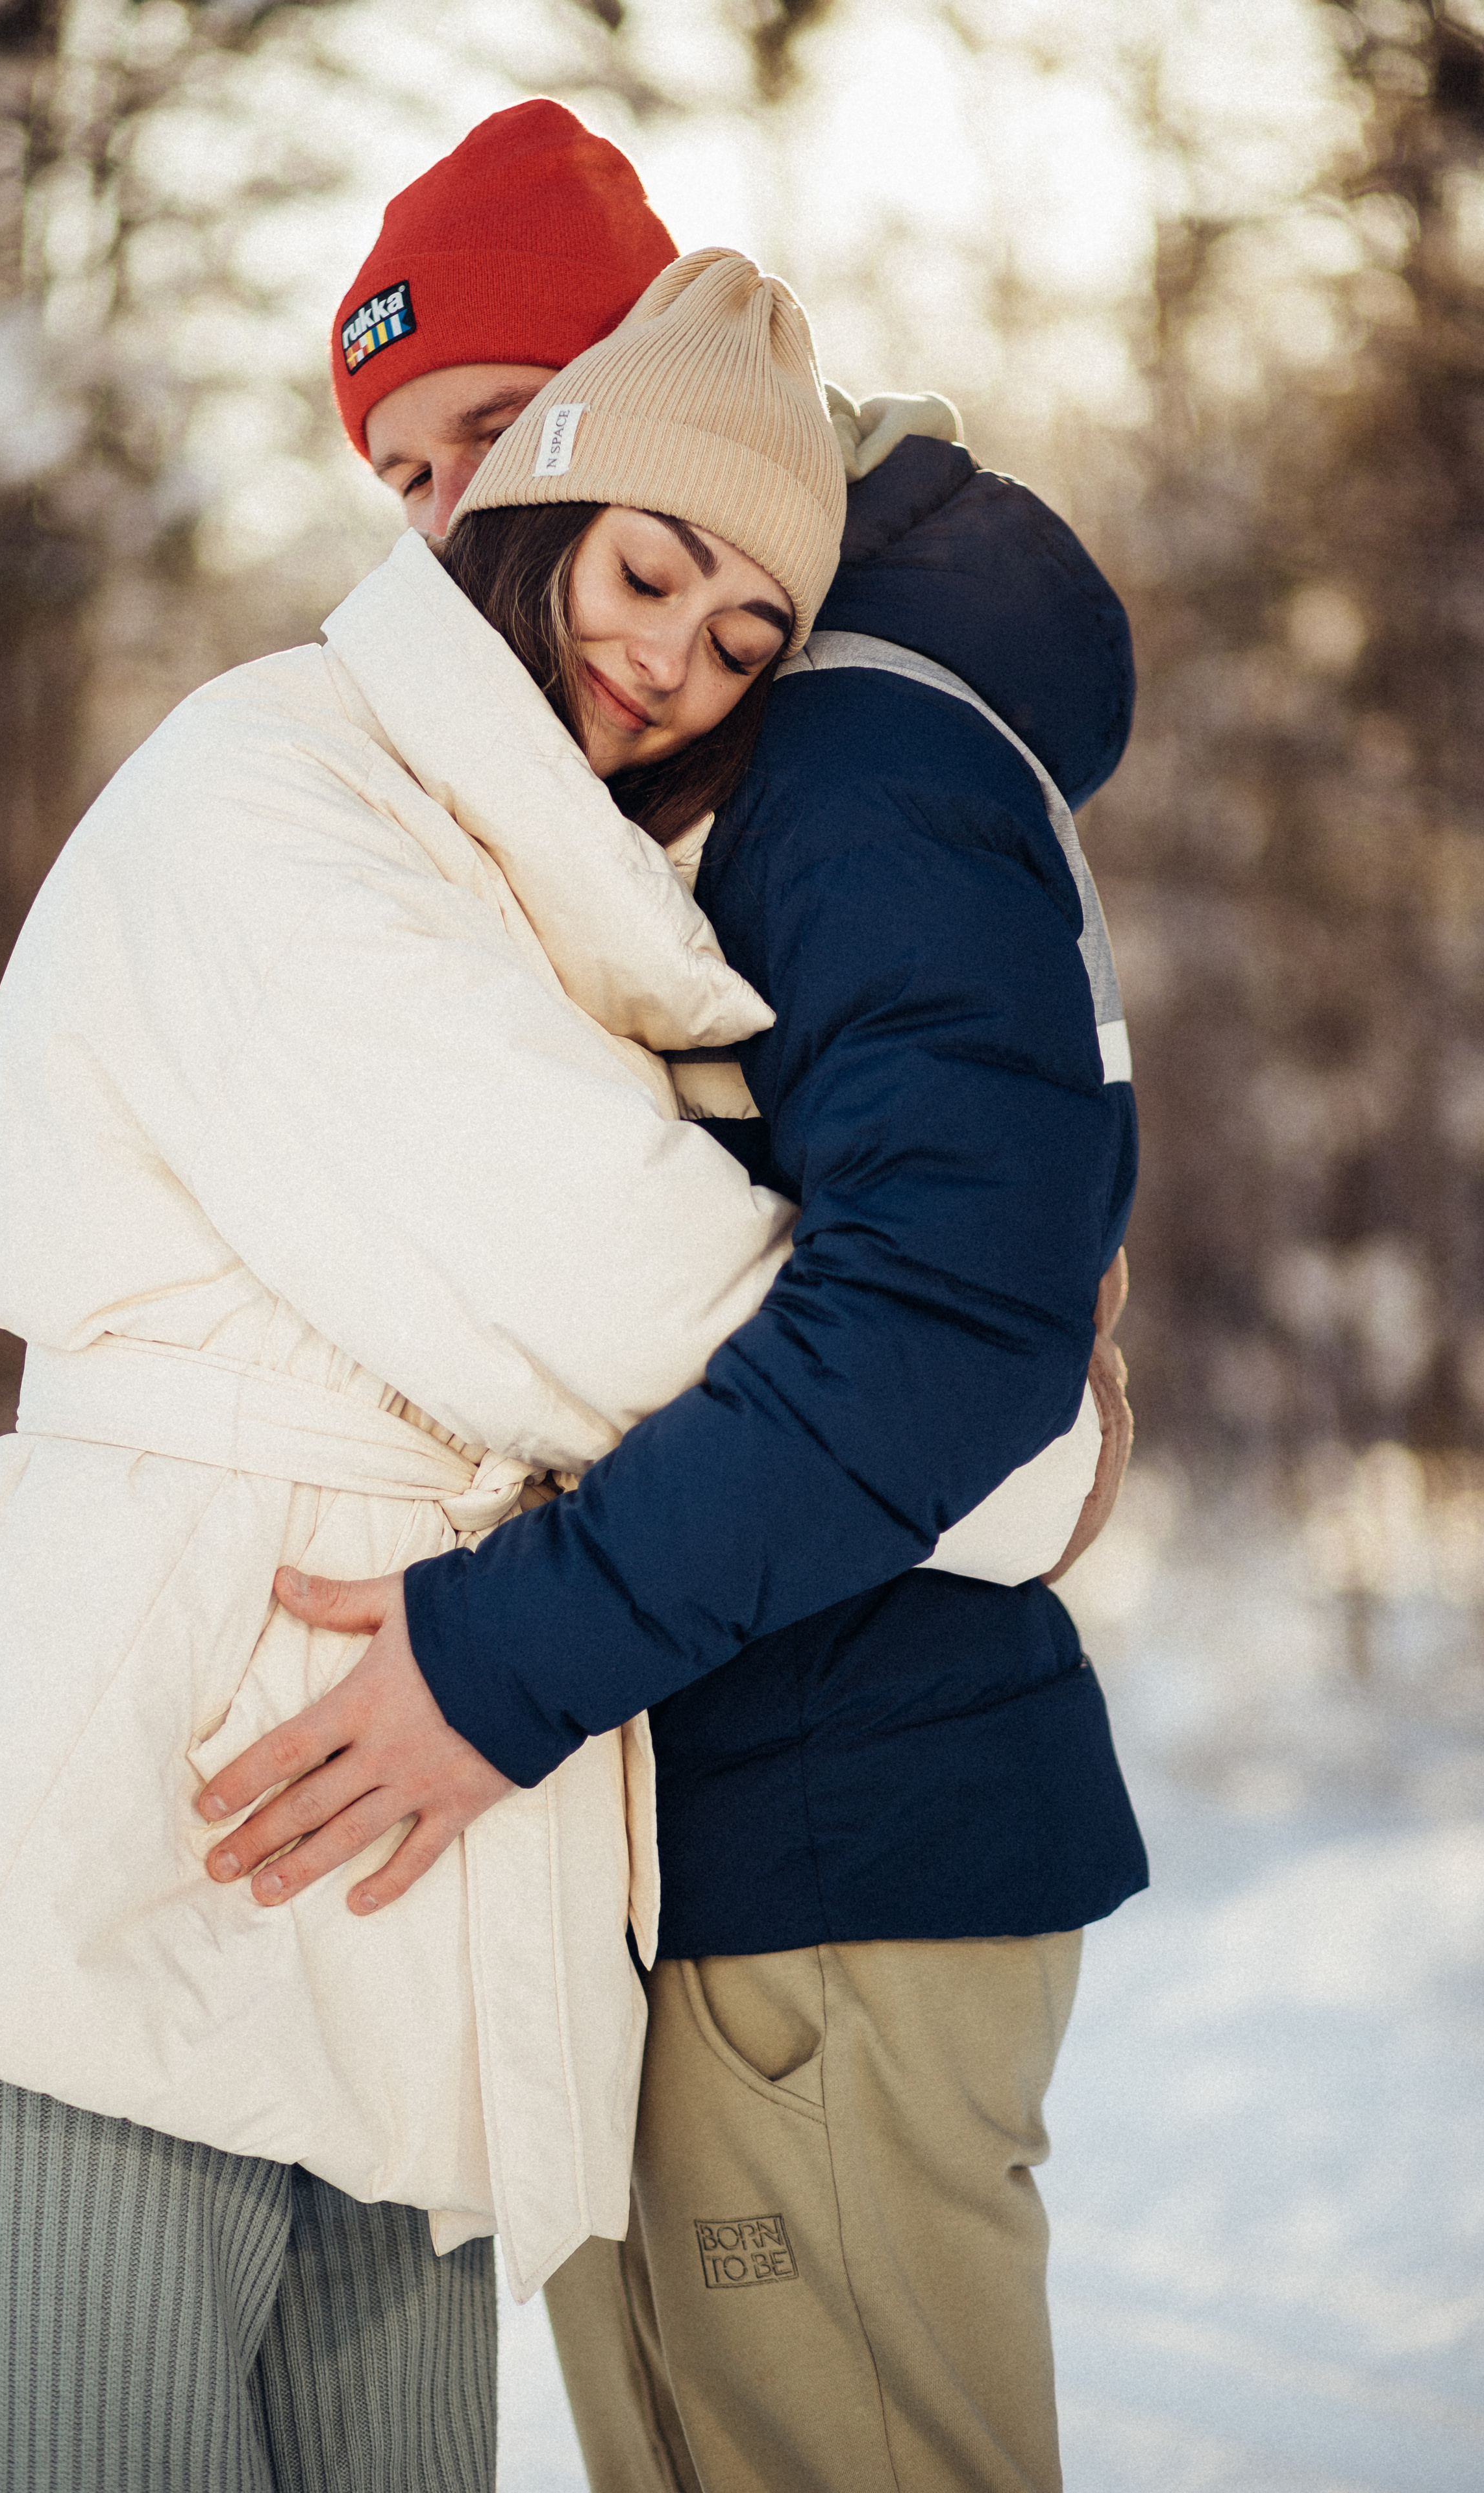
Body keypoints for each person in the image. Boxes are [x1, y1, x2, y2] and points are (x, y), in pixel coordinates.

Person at [0, 246, 852, 2493]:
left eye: (741, 632)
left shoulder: (576, 881)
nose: (668, 656)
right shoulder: (275, 792)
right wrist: (1019, 1416)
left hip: (411, 1860)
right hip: (122, 1802)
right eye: (641, 571)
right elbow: (640, 1309)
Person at [201, 125, 1146, 2493]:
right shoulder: (681, 775)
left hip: (839, 1842)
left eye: (481, 436)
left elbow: (950, 1321)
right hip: (709, 1845)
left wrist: (500, 1658)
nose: (438, 517)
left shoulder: (853, 753)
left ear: (611, 409)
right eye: (400, 473)